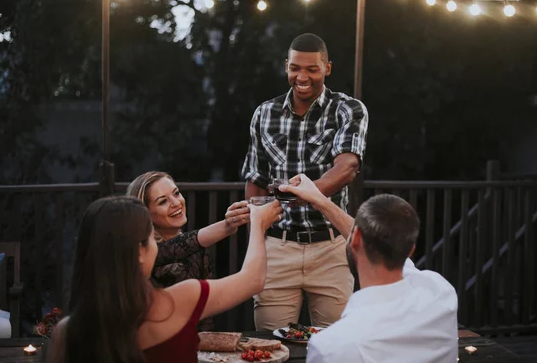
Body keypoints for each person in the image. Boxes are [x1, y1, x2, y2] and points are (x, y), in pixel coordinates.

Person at [47, 195, 282, 363]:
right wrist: (259, 226)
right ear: (139, 252)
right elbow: (252, 280)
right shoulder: (182, 300)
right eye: (151, 239)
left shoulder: (65, 334)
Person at [242, 33, 369, 330]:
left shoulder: (348, 109)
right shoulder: (264, 113)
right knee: (270, 346)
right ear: (286, 66)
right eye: (295, 68)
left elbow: (347, 167)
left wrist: (299, 194)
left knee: (337, 346)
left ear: (327, 68)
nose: (302, 76)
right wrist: (255, 237)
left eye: (312, 69)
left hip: (331, 248)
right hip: (277, 246)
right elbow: (255, 178)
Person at [279, 175, 458, 363]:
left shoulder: (331, 347)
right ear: (410, 251)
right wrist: (320, 201)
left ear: (355, 239)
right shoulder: (440, 292)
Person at [127, 171, 251, 331]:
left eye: (176, 193)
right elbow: (168, 250)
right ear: (146, 215)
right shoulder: (145, 254)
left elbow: (208, 312)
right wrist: (228, 225)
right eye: (163, 201)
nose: (176, 203)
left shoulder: (197, 249)